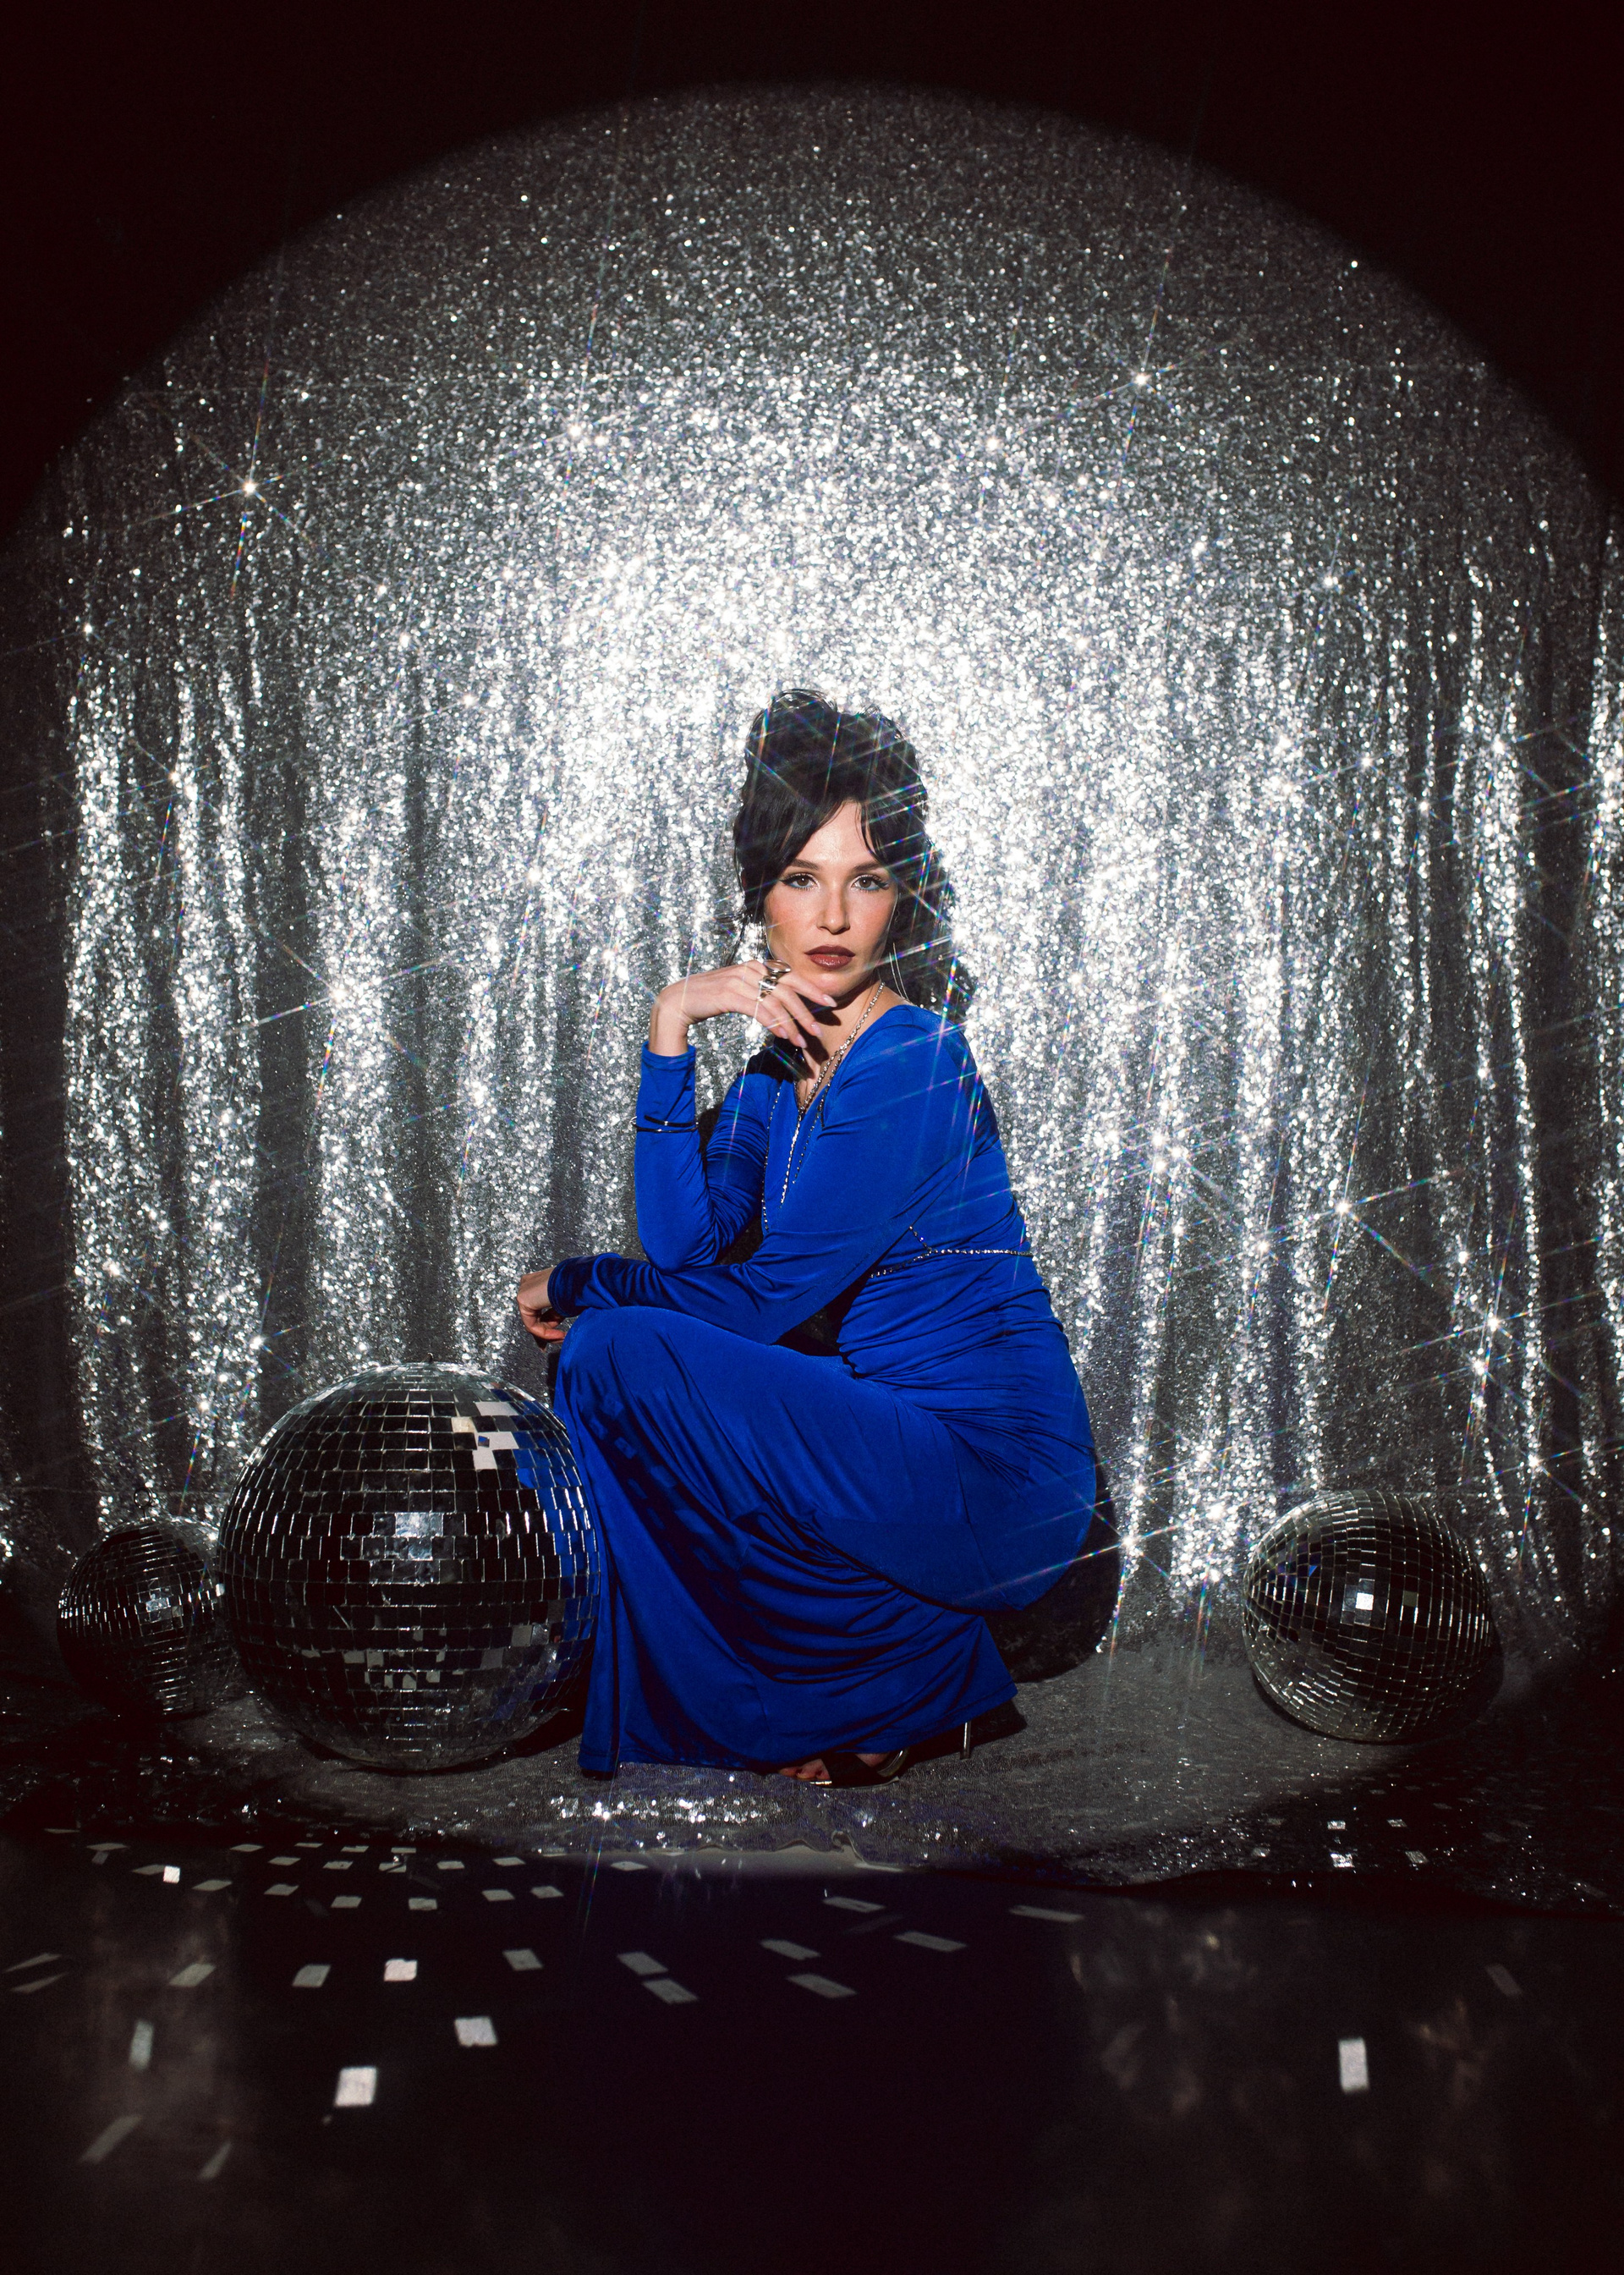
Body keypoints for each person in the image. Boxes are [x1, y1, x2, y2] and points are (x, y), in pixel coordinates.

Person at [516, 689, 1100, 1785]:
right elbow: (689, 1255)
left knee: (618, 1347)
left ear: (900, 899)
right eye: (802, 878)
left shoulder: (914, 1060)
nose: (833, 917)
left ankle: (893, 1679)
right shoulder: (773, 1077)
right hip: (889, 1436)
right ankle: (898, 1675)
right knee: (610, 1356)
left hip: (997, 1472)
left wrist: (582, 1277)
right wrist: (671, 1028)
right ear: (763, 900)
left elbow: (758, 1301)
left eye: (865, 880)